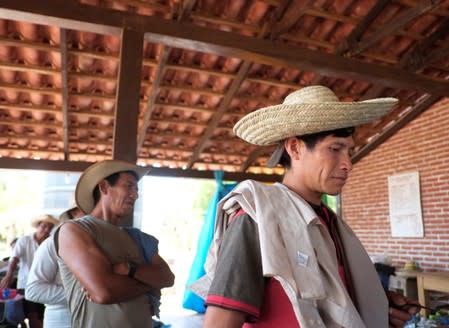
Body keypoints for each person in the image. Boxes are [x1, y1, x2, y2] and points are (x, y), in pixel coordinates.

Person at [192, 85, 420, 328]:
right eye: (335, 149)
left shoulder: (328, 222)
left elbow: (326, 293)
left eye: (349, 152)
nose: (347, 164)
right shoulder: (257, 217)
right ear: (295, 148)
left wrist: (374, 303)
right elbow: (219, 323)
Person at [55, 160, 175, 328]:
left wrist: (129, 269)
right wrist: (150, 284)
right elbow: (104, 292)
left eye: (136, 189)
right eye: (129, 186)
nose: (135, 195)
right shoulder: (75, 230)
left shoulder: (138, 237)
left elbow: (167, 278)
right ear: (104, 187)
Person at [25, 206, 84, 328]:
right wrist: (81, 294)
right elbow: (33, 290)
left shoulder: (96, 242)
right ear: (75, 213)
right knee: (33, 316)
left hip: (89, 319)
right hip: (62, 321)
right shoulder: (52, 244)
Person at [0, 214, 58, 328]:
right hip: (27, 284)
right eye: (44, 226)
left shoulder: (51, 242)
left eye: (49, 227)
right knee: (32, 314)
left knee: (42, 314)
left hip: (46, 284)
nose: (46, 229)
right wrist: (9, 275)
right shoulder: (24, 240)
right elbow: (14, 259)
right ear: (38, 226)